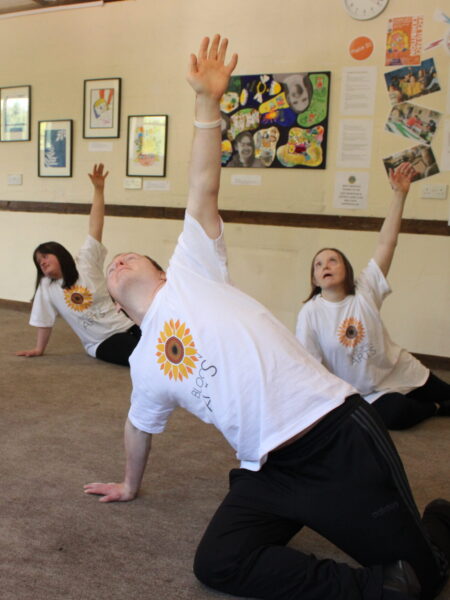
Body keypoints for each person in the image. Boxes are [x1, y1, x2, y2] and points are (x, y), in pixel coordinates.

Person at [84, 36, 450, 600]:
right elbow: (138, 427)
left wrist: (208, 106)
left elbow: (203, 186)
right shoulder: (143, 364)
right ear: (116, 302)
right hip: (267, 471)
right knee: (219, 565)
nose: (119, 260)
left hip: (333, 437)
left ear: (160, 271)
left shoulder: (193, 270)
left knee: (424, 579)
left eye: (132, 255)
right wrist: (130, 485)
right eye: (112, 266)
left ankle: (438, 525)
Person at [296, 163, 449, 430]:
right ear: (314, 279)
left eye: (333, 260)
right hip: (365, 392)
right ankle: (433, 409)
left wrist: (399, 194)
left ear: (347, 270)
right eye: (318, 265)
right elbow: (310, 365)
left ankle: (437, 400)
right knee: (395, 416)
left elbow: (386, 242)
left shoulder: (365, 289)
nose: (325, 266)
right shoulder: (310, 313)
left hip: (400, 371)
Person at [16, 164, 140, 366]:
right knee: (145, 356)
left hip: (127, 324)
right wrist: (39, 349)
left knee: (165, 343)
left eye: (46, 256)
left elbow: (95, 225)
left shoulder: (86, 262)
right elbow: (44, 322)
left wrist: (98, 190)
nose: (43, 262)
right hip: (102, 341)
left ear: (60, 254)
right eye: (39, 262)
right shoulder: (47, 288)